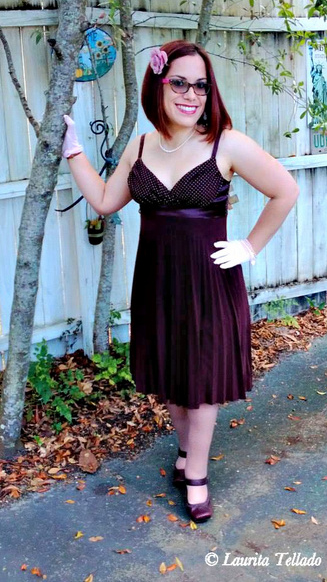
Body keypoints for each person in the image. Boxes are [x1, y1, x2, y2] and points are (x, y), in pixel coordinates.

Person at [62, 40, 299, 523]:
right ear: (159, 85)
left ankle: (196, 475)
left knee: (203, 382)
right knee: (172, 376)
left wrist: (249, 247)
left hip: (210, 283)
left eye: (201, 86)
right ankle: (187, 450)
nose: (191, 94)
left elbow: (285, 190)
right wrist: (74, 151)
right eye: (180, 83)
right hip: (157, 283)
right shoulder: (142, 145)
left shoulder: (225, 143)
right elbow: (107, 201)